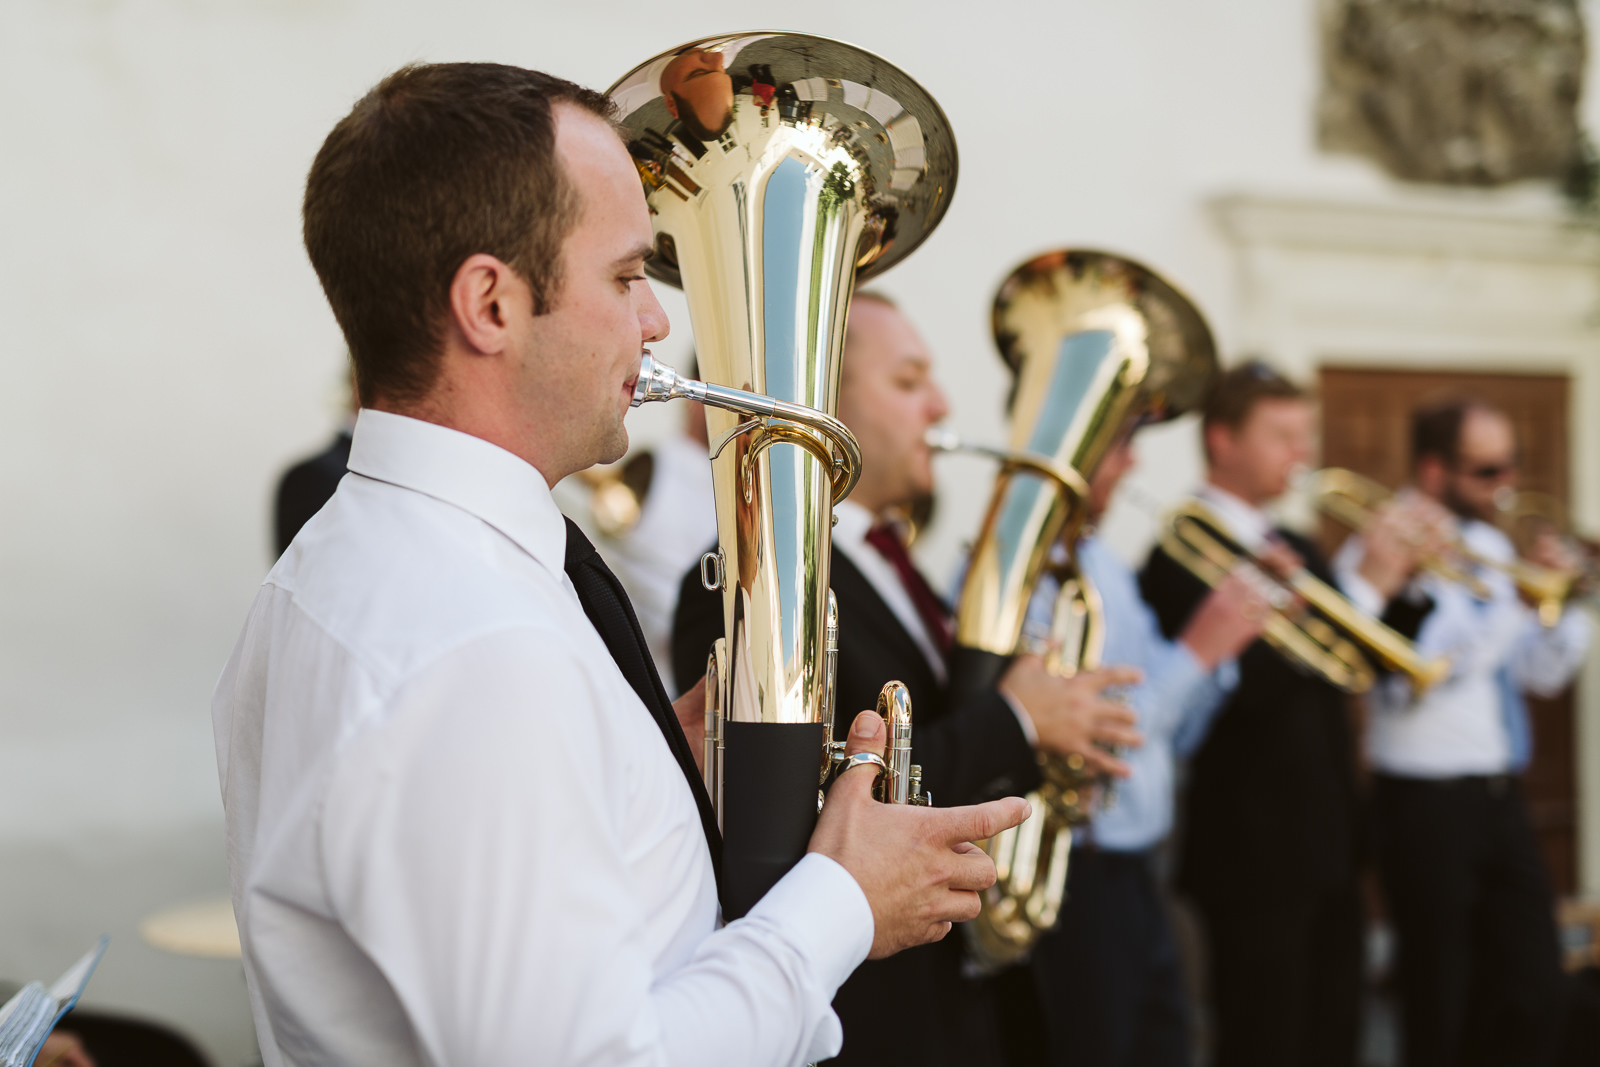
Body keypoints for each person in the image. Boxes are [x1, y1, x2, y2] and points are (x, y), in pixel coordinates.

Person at [212, 62, 1029, 1067]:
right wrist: (843, 899)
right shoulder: (478, 643)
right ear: (490, 304)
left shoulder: (354, 560)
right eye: (626, 275)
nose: (654, 322)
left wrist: (648, 786)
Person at [673, 291, 1143, 1067]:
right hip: (868, 1022)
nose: (942, 403)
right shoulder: (747, 579)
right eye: (909, 380)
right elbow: (791, 821)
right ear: (830, 402)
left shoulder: (895, 563)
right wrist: (1018, 722)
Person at [1138, 361, 1415, 1067]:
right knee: (1265, 1040)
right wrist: (1359, 589)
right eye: (1283, 434)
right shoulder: (1176, 553)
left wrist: (1388, 578)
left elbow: (1356, 666)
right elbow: (1243, 691)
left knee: (1335, 1036)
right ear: (1223, 439)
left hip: (1329, 841)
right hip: (1250, 850)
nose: (1302, 453)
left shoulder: (1300, 546)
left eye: (1305, 434)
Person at [1332, 397, 1590, 1067]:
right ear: (1434, 468)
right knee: (1438, 994)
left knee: (1534, 982)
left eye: (1513, 465)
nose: (1506, 483)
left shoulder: (1490, 546)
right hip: (1423, 801)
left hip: (1499, 794)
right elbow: (1419, 672)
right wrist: (1514, 609)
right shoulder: (1380, 546)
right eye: (1487, 469)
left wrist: (1564, 607)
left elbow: (1542, 672)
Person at [1026, 425, 1270, 1067]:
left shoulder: (1104, 562)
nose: (1134, 461)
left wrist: (1222, 646)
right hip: (1079, 869)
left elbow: (1171, 735)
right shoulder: (1024, 568)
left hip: (1137, 864)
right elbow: (1104, 733)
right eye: (1118, 442)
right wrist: (1200, 648)